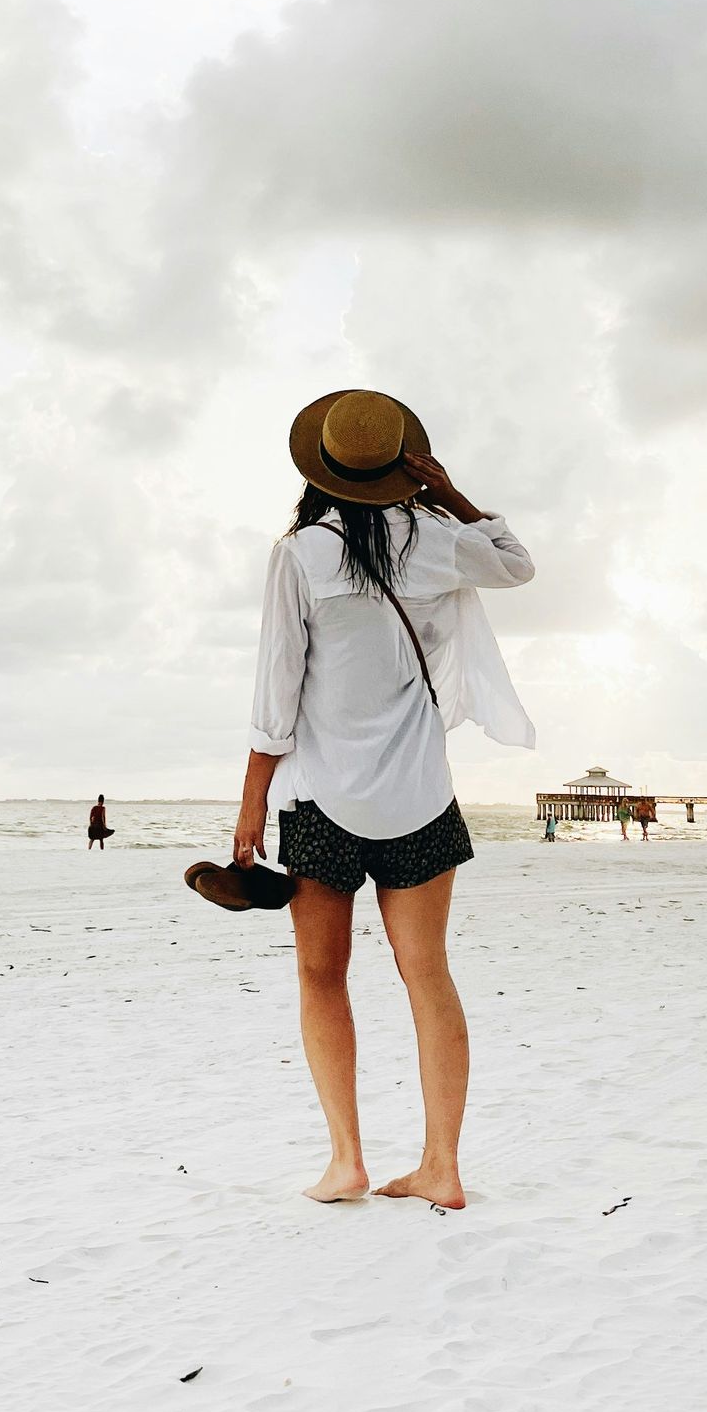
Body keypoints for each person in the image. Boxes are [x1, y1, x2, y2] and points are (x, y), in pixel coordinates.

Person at [232, 388, 534, 1209]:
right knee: (427, 974)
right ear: (403, 464)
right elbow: (515, 562)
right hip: (420, 797)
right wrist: (448, 493)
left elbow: (276, 695)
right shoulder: (440, 541)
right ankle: (443, 1167)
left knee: (321, 976)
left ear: (320, 466)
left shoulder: (301, 554)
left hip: (322, 799)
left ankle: (346, 1161)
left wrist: (250, 804)